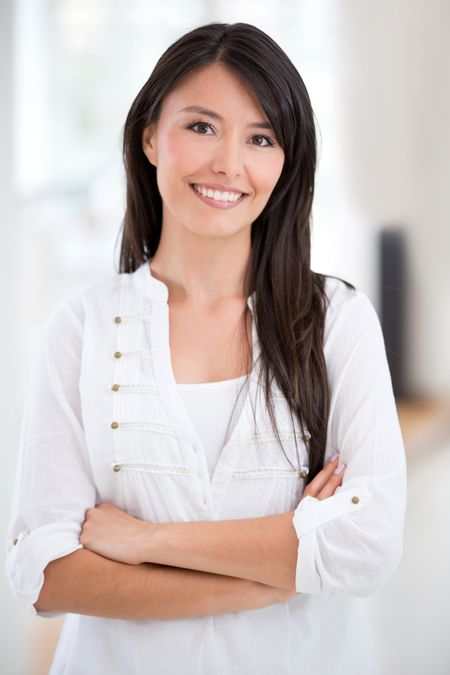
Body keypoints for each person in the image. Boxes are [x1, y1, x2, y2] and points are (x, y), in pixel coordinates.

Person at [5, 21, 407, 675]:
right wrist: (284, 570)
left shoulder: (339, 321)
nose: (228, 163)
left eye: (261, 137)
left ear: (287, 160)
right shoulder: (82, 329)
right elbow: (46, 571)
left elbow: (366, 545)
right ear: (148, 137)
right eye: (201, 126)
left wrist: (147, 541)